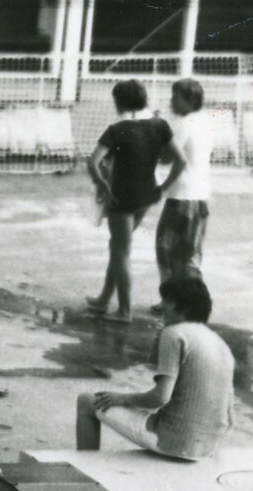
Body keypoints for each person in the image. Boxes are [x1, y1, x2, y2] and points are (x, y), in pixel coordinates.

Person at [75, 275, 233, 461]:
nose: (162, 307)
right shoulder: (219, 343)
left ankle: (85, 468)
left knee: (87, 401)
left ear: (184, 307)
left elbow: (160, 397)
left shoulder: (174, 334)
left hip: (175, 442)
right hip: (211, 446)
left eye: (167, 301)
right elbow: (229, 412)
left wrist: (121, 398)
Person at [85, 79, 170, 322]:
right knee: (118, 246)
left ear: (120, 102)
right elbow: (170, 158)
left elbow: (92, 162)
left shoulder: (118, 129)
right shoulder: (158, 125)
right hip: (146, 195)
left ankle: (124, 310)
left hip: (122, 196)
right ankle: (103, 299)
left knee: (121, 251)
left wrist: (102, 183)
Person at [153, 77, 212, 295]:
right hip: (200, 197)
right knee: (191, 252)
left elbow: (170, 158)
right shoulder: (203, 122)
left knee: (165, 248)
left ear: (189, 100)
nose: (172, 102)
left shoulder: (183, 125)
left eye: (175, 97)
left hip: (182, 197)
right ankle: (191, 297)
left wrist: (163, 187)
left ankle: (171, 297)